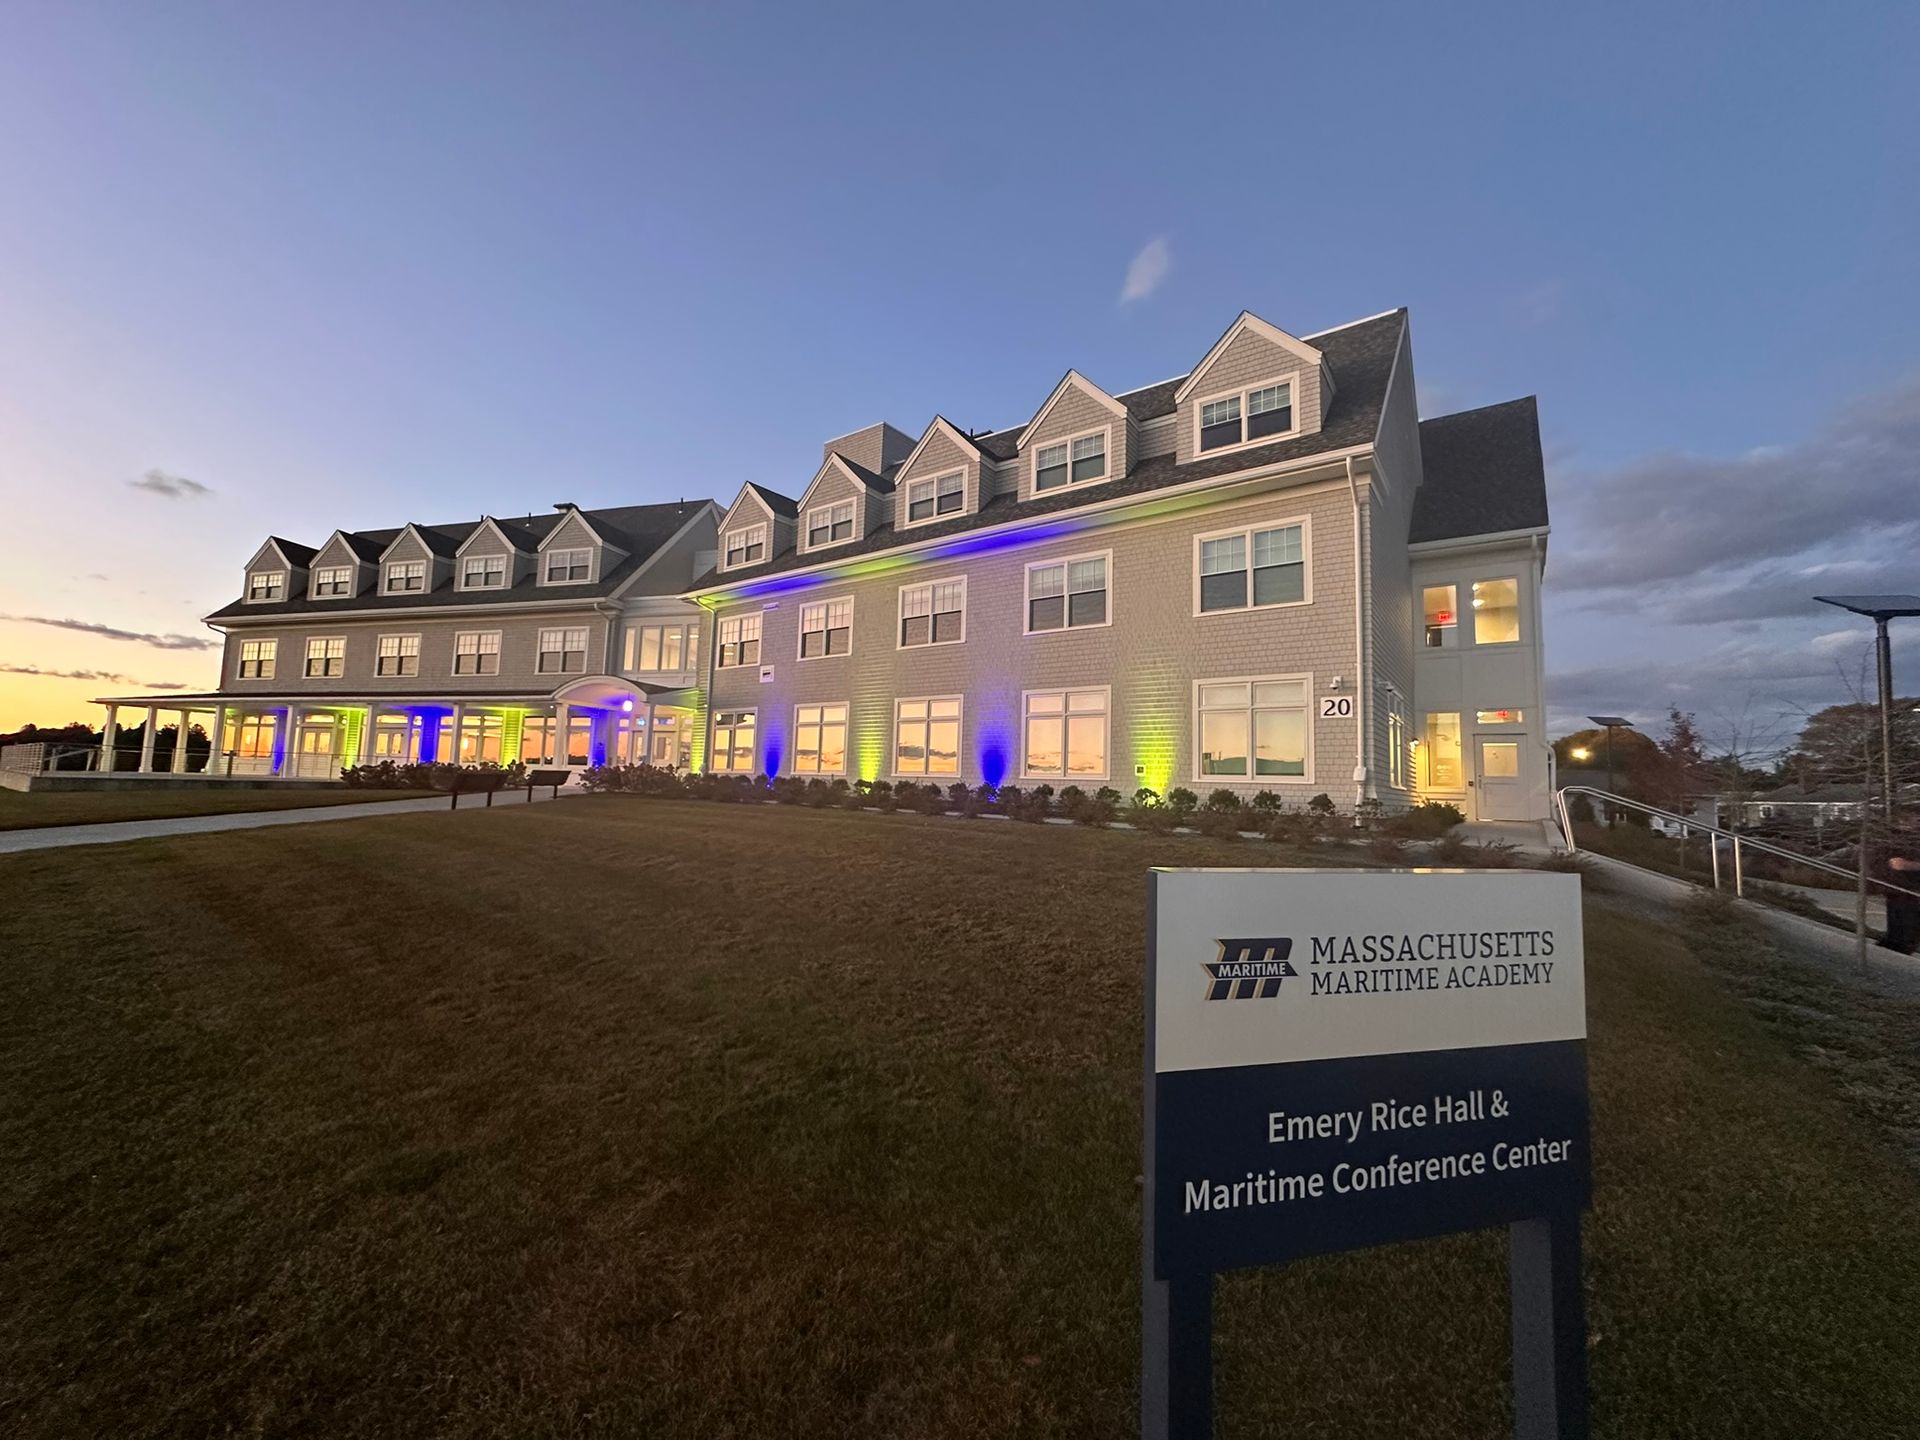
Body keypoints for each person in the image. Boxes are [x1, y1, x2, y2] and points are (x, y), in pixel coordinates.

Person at [1881, 824, 1920, 955]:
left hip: (1912, 892)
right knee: (1896, 924)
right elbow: (1894, 863)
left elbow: (1899, 864)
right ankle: (1892, 945)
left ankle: (1902, 948)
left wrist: (1909, 865)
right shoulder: (1895, 840)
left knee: (1908, 927)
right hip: (1895, 890)